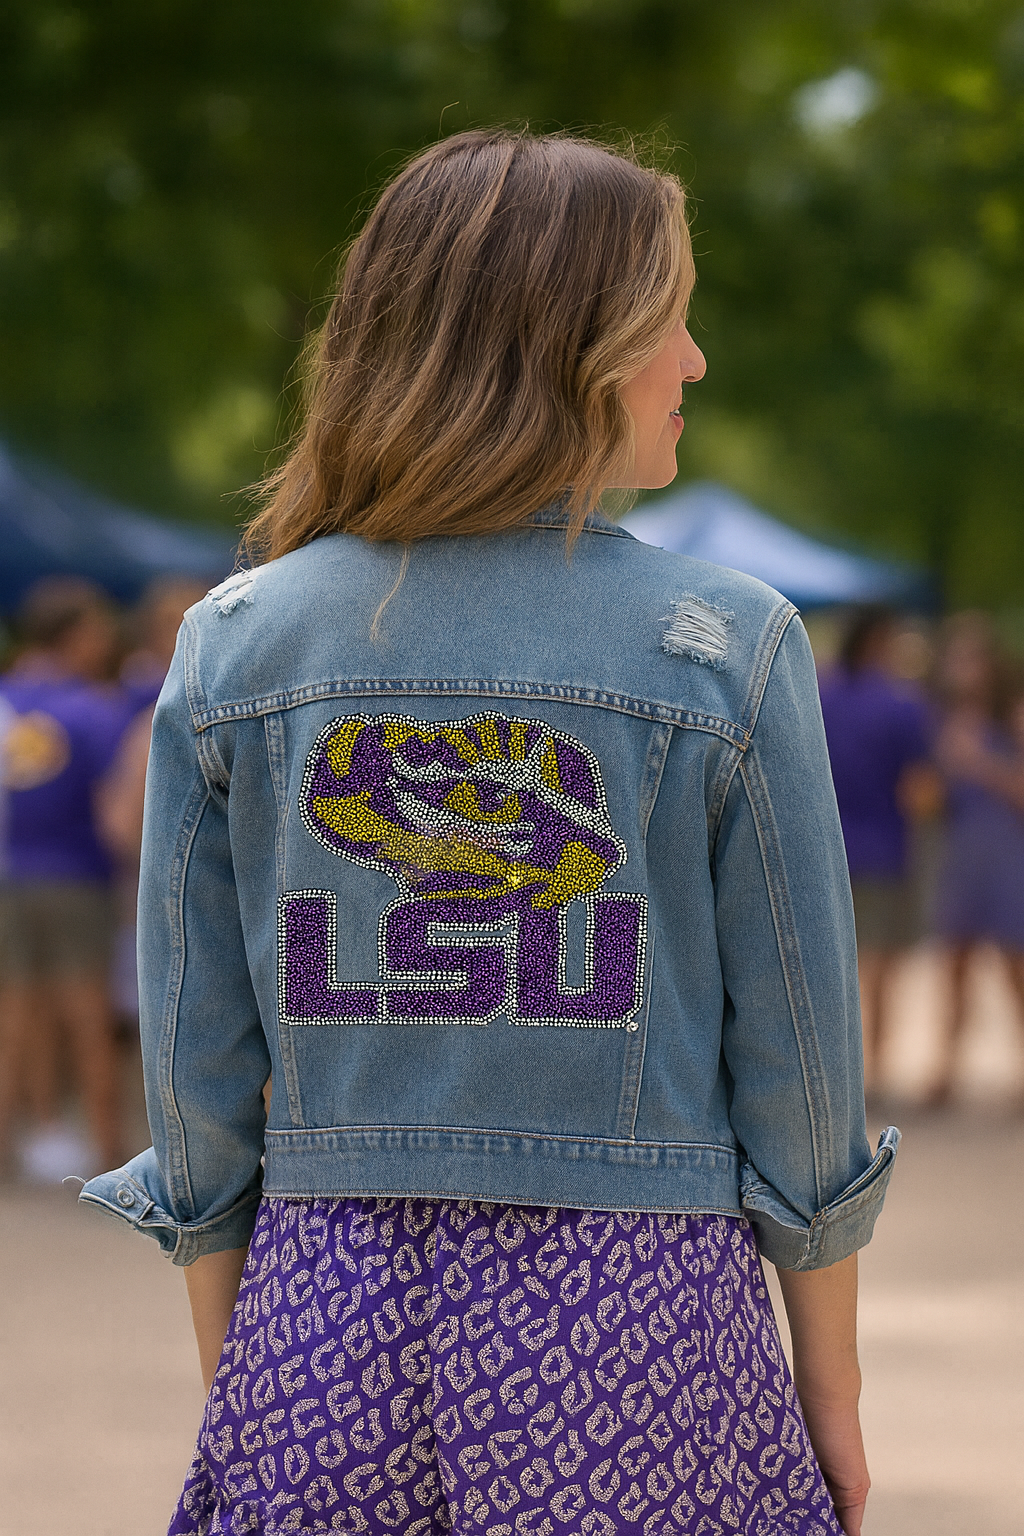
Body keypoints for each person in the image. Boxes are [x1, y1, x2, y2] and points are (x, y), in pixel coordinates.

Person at [81, 131, 898, 1536]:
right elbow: (803, 1077)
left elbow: (195, 1082)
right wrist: (832, 1386)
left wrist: (251, 1386)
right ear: (569, 346)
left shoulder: (235, 643)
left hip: (323, 1314)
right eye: (670, 320)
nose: (695, 362)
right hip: (645, 1327)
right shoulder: (726, 647)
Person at [0, 576, 129, 1175]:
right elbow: (114, 814)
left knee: (13, 1017)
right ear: (75, 636)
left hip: (11, 878)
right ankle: (107, 1153)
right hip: (77, 880)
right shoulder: (91, 709)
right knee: (88, 1017)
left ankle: (6, 1152)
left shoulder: (7, 701)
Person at [818, 606, 933, 1094]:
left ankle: (830, 1073)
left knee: (830, 967)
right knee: (881, 967)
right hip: (884, 850)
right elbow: (922, 794)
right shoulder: (903, 705)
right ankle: (875, 1071)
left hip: (824, 850)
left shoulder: (819, 694)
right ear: (882, 640)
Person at [930, 613, 1024, 1103]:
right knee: (954, 963)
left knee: (1014, 967)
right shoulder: (938, 719)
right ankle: (945, 1067)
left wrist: (980, 763)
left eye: (972, 656)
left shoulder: (1012, 718)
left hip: (1007, 851)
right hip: (961, 849)